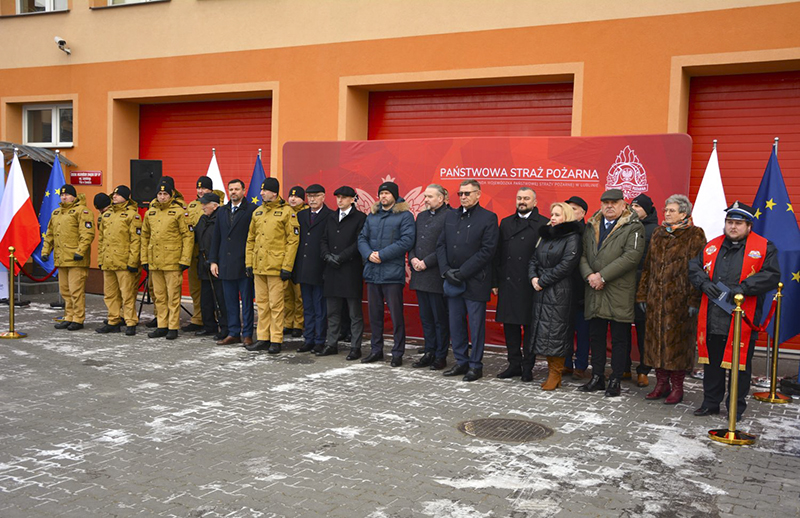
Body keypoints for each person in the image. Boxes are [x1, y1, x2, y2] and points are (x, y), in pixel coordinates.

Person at [688, 201, 780, 419]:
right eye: (729, 222)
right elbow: (694, 266)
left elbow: (771, 275)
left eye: (738, 223)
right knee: (712, 364)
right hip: (712, 316)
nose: (733, 227)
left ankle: (735, 408)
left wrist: (742, 289)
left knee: (740, 368)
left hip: (742, 318)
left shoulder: (765, 247)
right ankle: (710, 403)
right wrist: (703, 283)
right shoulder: (712, 246)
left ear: (749, 226)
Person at [636, 194, 706, 405]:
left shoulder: (695, 235)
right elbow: (647, 266)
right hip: (656, 299)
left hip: (680, 303)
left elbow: (699, 271)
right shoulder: (658, 232)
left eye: (671, 211)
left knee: (677, 345)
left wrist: (694, 300)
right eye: (666, 210)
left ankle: (677, 387)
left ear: (683, 213)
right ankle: (661, 384)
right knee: (656, 343)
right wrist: (642, 293)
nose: (666, 214)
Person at [578, 189, 644, 397]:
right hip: (594, 289)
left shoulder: (634, 227)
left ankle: (615, 379)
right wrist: (589, 275)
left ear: (623, 204)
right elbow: (582, 255)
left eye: (614, 202)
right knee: (595, 335)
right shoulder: (592, 225)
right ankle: (597, 376)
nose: (609, 206)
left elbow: (631, 257)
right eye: (605, 202)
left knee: (619, 338)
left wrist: (602, 276)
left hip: (617, 290)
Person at [437, 179, 499, 382]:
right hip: (452, 280)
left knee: (476, 325)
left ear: (478, 194)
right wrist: (446, 271)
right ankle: (461, 361)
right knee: (455, 324)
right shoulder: (450, 215)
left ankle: (475, 365)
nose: (463, 197)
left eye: (467, 193)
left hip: (475, 281)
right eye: (460, 194)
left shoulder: (488, 217)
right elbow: (441, 245)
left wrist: (462, 272)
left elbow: (487, 251)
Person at [492, 187, 548, 381]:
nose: (522, 201)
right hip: (508, 282)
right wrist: (495, 281)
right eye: (519, 198)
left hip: (531, 284)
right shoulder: (506, 222)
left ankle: (527, 367)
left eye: (526, 198)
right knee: (510, 327)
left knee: (530, 328)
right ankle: (514, 364)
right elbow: (498, 254)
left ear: (535, 202)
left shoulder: (543, 223)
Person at [358, 181, 415, 367]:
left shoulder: (404, 215)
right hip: (373, 272)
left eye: (387, 193)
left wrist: (382, 255)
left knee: (396, 316)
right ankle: (376, 350)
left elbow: (406, 241)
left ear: (394, 196)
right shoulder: (372, 215)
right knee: (374, 315)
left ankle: (397, 352)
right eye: (381, 193)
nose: (383, 196)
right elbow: (362, 238)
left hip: (392, 274)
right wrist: (368, 254)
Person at [527, 202, 583, 390]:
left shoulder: (572, 237)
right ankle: (553, 371)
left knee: (557, 333)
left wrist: (542, 280)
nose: (552, 217)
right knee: (545, 333)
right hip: (542, 291)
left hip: (560, 292)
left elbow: (567, 265)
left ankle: (555, 373)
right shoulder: (545, 236)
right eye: (552, 214)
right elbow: (534, 259)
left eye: (557, 215)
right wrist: (533, 277)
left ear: (566, 217)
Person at [245, 178, 300, 353]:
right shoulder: (258, 212)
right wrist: (248, 263)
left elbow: (293, 241)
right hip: (259, 266)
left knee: (276, 305)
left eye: (265, 190)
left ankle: (276, 339)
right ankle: (263, 338)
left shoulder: (287, 212)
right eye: (261, 190)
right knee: (262, 304)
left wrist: (287, 267)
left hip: (276, 267)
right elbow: (251, 240)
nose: (261, 193)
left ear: (274, 193)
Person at [140, 177, 194, 340]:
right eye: (160, 193)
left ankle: (173, 326)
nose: (162, 197)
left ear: (171, 195)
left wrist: (185, 260)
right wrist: (145, 259)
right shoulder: (150, 212)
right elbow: (144, 236)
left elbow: (188, 236)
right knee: (159, 296)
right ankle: (162, 325)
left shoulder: (179, 212)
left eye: (165, 194)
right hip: (155, 262)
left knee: (173, 296)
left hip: (173, 261)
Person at [320, 185, 367, 359]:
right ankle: (331, 343)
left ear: (352, 199)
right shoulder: (331, 217)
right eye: (338, 197)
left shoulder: (360, 218)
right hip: (332, 269)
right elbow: (323, 239)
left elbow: (359, 242)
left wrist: (341, 257)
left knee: (354, 312)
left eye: (343, 197)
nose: (340, 200)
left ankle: (356, 347)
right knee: (332, 311)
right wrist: (327, 256)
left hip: (350, 270)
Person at [42, 184, 95, 331]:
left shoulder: (82, 211)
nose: (64, 197)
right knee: (65, 290)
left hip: (76, 259)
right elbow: (50, 234)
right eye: (62, 195)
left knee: (75, 290)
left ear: (74, 196)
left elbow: (87, 234)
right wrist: (46, 251)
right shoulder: (56, 213)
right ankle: (69, 316)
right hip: (61, 258)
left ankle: (78, 319)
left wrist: (80, 251)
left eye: (68, 195)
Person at [210, 179, 256, 347]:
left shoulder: (252, 210)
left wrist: (251, 262)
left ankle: (248, 334)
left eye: (237, 189)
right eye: (231, 189)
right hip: (226, 263)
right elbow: (217, 237)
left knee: (247, 301)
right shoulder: (222, 211)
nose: (234, 192)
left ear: (244, 191)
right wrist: (213, 260)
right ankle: (233, 332)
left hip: (244, 263)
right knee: (229, 301)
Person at [409, 184, 450, 370]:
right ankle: (429, 351)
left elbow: (447, 246)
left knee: (439, 319)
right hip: (419, 275)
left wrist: (426, 262)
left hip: (435, 276)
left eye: (430, 197)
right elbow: (413, 241)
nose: (426, 200)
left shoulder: (450, 216)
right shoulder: (421, 216)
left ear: (441, 198)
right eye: (425, 196)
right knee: (425, 318)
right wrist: (413, 258)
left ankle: (441, 356)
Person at [96, 185, 142, 336]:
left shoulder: (132, 215)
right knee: (110, 294)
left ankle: (130, 322)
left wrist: (133, 262)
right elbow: (102, 239)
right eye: (114, 194)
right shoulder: (107, 215)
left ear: (126, 197)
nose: (114, 196)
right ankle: (113, 321)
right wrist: (101, 259)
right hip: (109, 261)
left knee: (127, 295)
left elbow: (136, 241)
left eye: (118, 195)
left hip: (124, 263)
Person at [294, 184, 333, 353]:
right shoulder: (301, 215)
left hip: (320, 268)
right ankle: (308, 338)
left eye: (315, 196)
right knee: (307, 306)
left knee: (320, 308)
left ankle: (319, 339)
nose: (312, 199)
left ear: (323, 197)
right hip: (304, 267)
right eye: (309, 196)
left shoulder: (329, 215)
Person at [626, 193, 659, 387]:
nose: (633, 210)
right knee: (621, 327)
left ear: (646, 210)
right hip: (623, 284)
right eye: (632, 206)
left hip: (643, 286)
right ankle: (622, 367)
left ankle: (644, 370)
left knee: (642, 330)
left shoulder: (655, 230)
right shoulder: (625, 226)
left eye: (637, 207)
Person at [182, 176, 214, 333]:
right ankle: (198, 317)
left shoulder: (216, 203)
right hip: (193, 253)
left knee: (209, 290)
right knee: (195, 289)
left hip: (208, 254)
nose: (200, 191)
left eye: (204, 188)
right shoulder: (191, 205)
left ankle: (211, 319)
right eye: (198, 188)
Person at [194, 192, 228, 340]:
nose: (203, 207)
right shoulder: (203, 219)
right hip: (203, 262)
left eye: (205, 204)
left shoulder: (221, 218)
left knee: (220, 298)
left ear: (215, 205)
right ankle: (209, 326)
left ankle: (225, 327)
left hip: (217, 263)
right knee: (206, 298)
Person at [564, 196, 590, 380]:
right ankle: (565, 363)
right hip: (563, 288)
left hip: (582, 289)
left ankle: (580, 365)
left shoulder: (588, 232)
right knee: (564, 329)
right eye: (568, 208)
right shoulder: (559, 230)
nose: (570, 212)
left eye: (574, 209)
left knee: (582, 330)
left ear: (582, 214)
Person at [284, 185, 308, 338]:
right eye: (291, 196)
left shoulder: (305, 214)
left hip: (300, 258)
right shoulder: (285, 212)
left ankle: (298, 324)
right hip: (285, 258)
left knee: (299, 295)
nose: (292, 199)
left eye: (296, 197)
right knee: (287, 293)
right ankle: (288, 322)